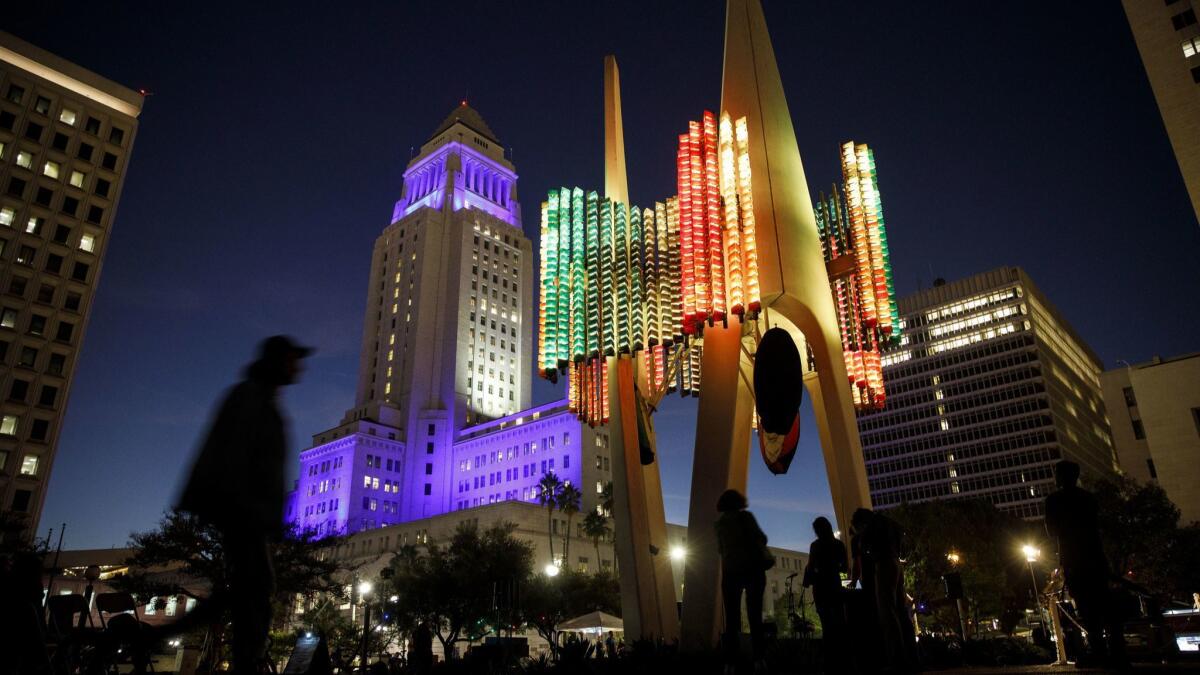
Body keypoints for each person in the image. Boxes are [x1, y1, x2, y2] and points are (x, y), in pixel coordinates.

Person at [176, 335, 312, 674]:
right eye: (294, 359)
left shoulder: (262, 399)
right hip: (241, 513)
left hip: (247, 515)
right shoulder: (250, 398)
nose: (300, 367)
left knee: (249, 589)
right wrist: (245, 510)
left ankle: (240, 655)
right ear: (279, 361)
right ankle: (245, 661)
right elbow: (234, 458)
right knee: (256, 588)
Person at [1044, 460, 1125, 667]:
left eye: (1057, 473)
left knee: (1087, 608)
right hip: (1095, 556)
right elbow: (1096, 528)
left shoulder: (1054, 500)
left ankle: (1099, 652)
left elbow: (1052, 531)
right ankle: (1117, 653)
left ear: (1062, 476)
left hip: (1074, 559)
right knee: (1105, 605)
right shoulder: (1088, 498)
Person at [851, 507, 916, 672]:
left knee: (887, 612)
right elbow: (906, 537)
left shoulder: (871, 526)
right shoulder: (888, 522)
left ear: (862, 522)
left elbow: (863, 545)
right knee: (901, 610)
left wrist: (864, 546)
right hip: (896, 563)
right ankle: (912, 656)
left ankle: (897, 659)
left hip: (884, 564)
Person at [714, 489, 771, 675]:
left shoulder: (719, 524)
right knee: (755, 617)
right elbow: (761, 538)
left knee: (731, 620)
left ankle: (730, 663)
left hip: (731, 573)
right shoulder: (746, 517)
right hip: (753, 570)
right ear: (740, 502)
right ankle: (759, 660)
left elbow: (720, 550)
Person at [803, 516, 847, 672]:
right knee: (840, 625)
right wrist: (849, 590)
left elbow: (810, 567)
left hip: (821, 591)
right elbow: (845, 570)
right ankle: (843, 661)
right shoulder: (839, 545)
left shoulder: (815, 546)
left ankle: (830, 663)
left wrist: (807, 581)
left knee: (827, 626)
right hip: (837, 590)